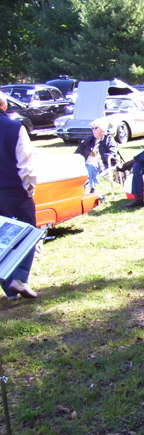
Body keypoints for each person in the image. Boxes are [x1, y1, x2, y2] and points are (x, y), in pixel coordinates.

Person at [0, 90, 38, 299]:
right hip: (13, 190)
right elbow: (25, 163)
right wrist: (29, 189)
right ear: (4, 106)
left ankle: (9, 286)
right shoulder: (14, 128)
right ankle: (19, 279)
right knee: (29, 233)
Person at [75, 118, 117, 193]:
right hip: (86, 165)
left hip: (103, 165)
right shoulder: (88, 139)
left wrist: (99, 158)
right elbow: (78, 153)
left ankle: (93, 190)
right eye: (92, 128)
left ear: (103, 130)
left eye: (96, 128)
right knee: (87, 167)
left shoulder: (109, 140)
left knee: (90, 167)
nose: (93, 130)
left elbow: (112, 153)